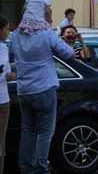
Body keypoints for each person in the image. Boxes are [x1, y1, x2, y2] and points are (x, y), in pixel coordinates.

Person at [9, 16, 74, 173]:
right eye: (49, 12)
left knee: (27, 131)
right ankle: (40, 169)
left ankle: (25, 168)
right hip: (44, 88)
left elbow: (11, 57)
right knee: (45, 131)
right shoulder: (46, 33)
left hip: (24, 90)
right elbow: (69, 54)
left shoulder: (17, 35)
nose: (52, 17)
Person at [0, 15, 16, 174]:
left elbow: (6, 71)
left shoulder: (4, 48)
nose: (8, 32)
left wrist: (9, 76)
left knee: (1, 144)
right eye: (6, 29)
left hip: (3, 101)